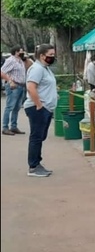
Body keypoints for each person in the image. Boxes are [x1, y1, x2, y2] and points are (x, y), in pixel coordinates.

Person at [23, 44, 57, 177]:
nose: (53, 58)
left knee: (40, 136)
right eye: (51, 55)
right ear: (42, 56)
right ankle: (33, 166)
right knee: (36, 137)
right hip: (38, 108)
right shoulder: (37, 69)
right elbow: (31, 87)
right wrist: (38, 105)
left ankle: (37, 163)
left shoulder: (45, 69)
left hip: (46, 108)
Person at [1, 45, 28, 135]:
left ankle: (13, 126)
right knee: (10, 106)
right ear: (16, 52)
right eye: (21, 51)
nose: (22, 52)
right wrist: (10, 81)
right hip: (14, 86)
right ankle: (5, 127)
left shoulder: (20, 61)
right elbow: (2, 71)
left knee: (17, 107)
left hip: (21, 86)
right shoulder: (10, 60)